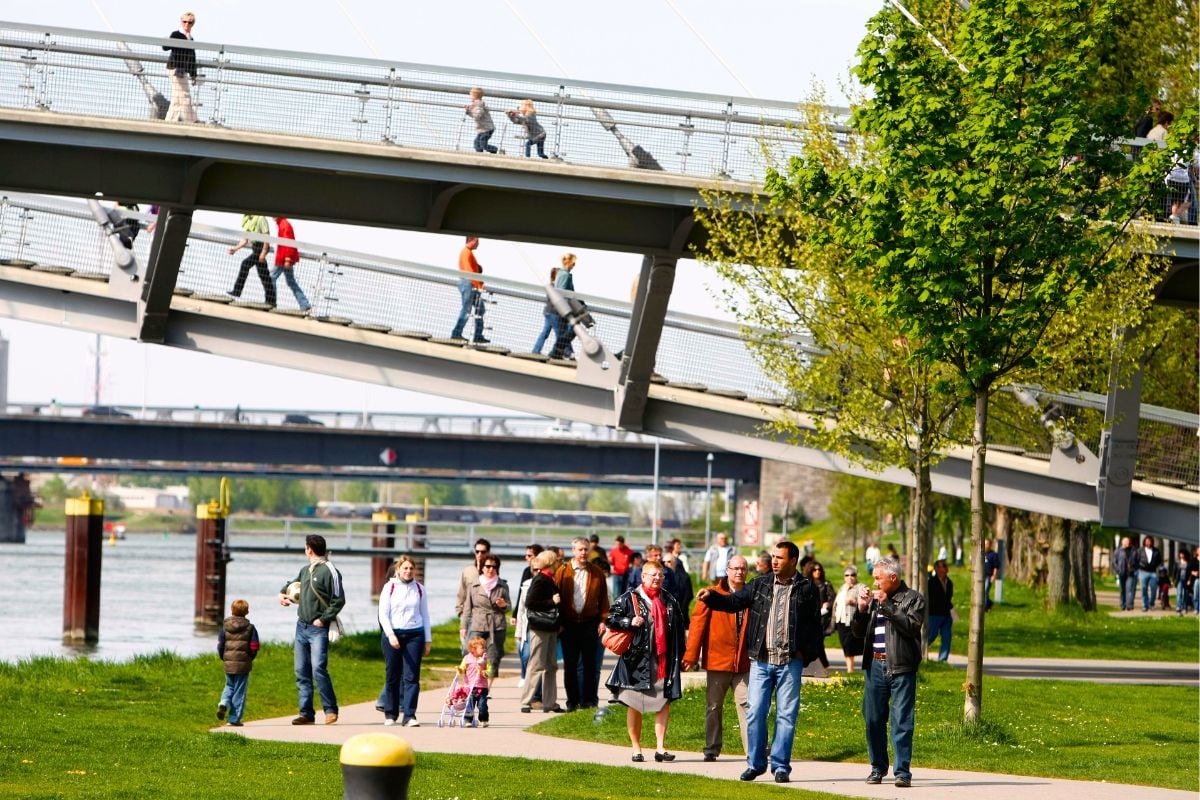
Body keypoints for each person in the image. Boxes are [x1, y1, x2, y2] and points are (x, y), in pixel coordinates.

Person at [696, 541, 823, 784]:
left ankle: (781, 766)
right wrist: (712, 597)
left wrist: (805, 654)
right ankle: (755, 764)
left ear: (793, 560)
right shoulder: (760, 583)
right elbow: (735, 602)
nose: (774, 561)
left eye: (780, 558)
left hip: (789, 663)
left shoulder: (807, 588)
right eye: (773, 557)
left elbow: (815, 626)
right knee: (755, 713)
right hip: (762, 662)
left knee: (786, 715)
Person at [851, 558, 927, 788]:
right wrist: (862, 608)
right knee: (873, 719)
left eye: (878, 578)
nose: (874, 583)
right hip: (875, 665)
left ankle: (902, 772)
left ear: (893, 578)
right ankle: (877, 767)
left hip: (902, 667)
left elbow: (912, 626)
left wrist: (887, 606)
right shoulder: (876, 599)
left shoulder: (913, 598)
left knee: (902, 721)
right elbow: (857, 632)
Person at [605, 560, 686, 763]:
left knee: (663, 703)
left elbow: (679, 628)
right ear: (643, 577)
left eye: (660, 575)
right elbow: (610, 619)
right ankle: (636, 749)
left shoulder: (669, 600)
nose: (657, 578)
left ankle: (660, 747)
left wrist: (683, 655)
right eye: (653, 575)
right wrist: (628, 622)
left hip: (662, 662)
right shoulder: (629, 598)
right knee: (634, 705)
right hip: (635, 663)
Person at [682, 555, 751, 762]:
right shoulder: (711, 594)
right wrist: (691, 655)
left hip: (744, 662)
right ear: (727, 570)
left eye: (743, 568)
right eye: (736, 568)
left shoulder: (752, 594)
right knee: (713, 706)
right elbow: (697, 626)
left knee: (748, 705)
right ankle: (712, 748)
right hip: (717, 660)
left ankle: (753, 751)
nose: (739, 572)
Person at [278, 534, 344, 725]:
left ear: (309, 549)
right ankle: (306, 713)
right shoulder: (305, 570)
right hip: (301, 627)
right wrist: (282, 595)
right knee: (301, 671)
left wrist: (323, 620)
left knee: (318, 669)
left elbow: (339, 600)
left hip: (317, 629)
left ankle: (330, 710)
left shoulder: (330, 571)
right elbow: (291, 585)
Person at [555, 536, 610, 710]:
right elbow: (556, 598)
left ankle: (589, 700)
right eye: (580, 549)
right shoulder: (562, 571)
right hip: (568, 624)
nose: (583, 553)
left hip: (589, 624)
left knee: (589, 664)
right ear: (573, 551)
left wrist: (603, 620)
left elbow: (604, 600)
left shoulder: (596, 572)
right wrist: (559, 622)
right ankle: (572, 701)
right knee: (570, 666)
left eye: (586, 549)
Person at [378, 555, 432, 728]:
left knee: (412, 676)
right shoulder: (390, 587)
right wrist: (390, 634)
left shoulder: (420, 589)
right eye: (405, 568)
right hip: (393, 634)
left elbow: (425, 615)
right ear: (398, 570)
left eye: (411, 568)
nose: (408, 571)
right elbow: (383, 614)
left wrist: (427, 639)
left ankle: (409, 715)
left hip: (414, 635)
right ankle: (391, 713)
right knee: (392, 675)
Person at [520, 550, 566, 713]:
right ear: (551, 563)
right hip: (540, 629)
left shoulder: (549, 579)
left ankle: (550, 702)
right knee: (536, 664)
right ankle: (526, 701)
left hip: (551, 628)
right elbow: (530, 603)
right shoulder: (540, 579)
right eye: (557, 561)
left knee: (551, 666)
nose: (559, 563)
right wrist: (551, 601)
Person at [460, 554, 510, 680]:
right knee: (470, 652)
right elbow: (467, 607)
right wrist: (464, 626)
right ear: (482, 567)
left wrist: (503, 605)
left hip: (496, 625)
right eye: (488, 566)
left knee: (493, 657)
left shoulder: (503, 585)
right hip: (478, 623)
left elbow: (509, 607)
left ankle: (486, 688)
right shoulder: (474, 585)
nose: (490, 569)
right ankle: (470, 682)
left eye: (494, 566)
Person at [216, 598, 259, 727]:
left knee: (229, 685)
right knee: (240, 691)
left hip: (228, 662)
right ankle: (234, 718)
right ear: (247, 612)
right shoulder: (250, 628)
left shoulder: (225, 627)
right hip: (243, 664)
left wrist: (224, 657)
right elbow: (254, 646)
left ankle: (223, 702)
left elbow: (220, 645)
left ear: (232, 610)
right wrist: (250, 657)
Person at [228, 213, 276, 307]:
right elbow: (245, 240)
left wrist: (263, 252)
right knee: (264, 275)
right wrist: (235, 249)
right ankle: (271, 300)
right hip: (255, 247)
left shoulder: (261, 218)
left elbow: (267, 237)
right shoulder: (248, 220)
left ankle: (237, 291)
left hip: (261, 247)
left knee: (245, 264)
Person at [449, 236, 488, 343]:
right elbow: (469, 272)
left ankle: (477, 335)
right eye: (477, 241)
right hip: (468, 284)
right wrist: (479, 285)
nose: (478, 244)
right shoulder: (466, 252)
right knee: (467, 309)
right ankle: (456, 333)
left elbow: (472, 271)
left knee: (480, 309)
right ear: (471, 240)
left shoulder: (468, 253)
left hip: (470, 284)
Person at [456, 537, 491, 650]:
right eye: (477, 551)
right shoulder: (468, 571)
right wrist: (460, 612)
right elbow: (461, 593)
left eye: (483, 552)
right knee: (466, 650)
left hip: (483, 618)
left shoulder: (491, 572)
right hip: (468, 616)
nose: (480, 554)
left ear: (488, 553)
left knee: (481, 651)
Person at [163, 12, 198, 123]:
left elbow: (192, 58)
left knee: (178, 97)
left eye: (189, 22)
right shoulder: (176, 34)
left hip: (182, 71)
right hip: (175, 69)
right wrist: (168, 39)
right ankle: (191, 121)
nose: (187, 24)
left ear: (192, 24)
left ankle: (170, 121)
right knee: (184, 96)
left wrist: (193, 74)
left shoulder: (190, 39)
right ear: (181, 22)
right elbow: (165, 47)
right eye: (184, 22)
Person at [271, 217, 310, 312]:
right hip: (285, 258)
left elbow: (288, 242)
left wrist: (287, 259)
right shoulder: (283, 224)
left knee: (271, 278)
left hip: (283, 258)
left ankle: (271, 302)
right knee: (291, 281)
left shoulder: (283, 224)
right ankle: (304, 304)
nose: (272, 217)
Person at [803, 561, 834, 677]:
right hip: (809, 618)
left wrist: (828, 604)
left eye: (819, 570)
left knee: (818, 643)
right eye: (815, 570)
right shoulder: (806, 584)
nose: (818, 572)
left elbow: (832, 598)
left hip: (822, 618)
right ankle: (818, 667)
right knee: (814, 643)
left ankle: (824, 667)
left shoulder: (825, 584)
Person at [833, 565, 865, 672]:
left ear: (856, 576)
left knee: (849, 644)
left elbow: (866, 603)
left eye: (853, 575)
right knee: (844, 643)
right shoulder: (843, 588)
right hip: (841, 620)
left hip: (852, 620)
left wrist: (855, 602)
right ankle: (849, 668)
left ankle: (850, 669)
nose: (850, 577)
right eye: (847, 575)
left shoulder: (861, 587)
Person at [924, 559, 954, 662]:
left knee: (947, 637)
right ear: (937, 569)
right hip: (934, 615)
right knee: (931, 635)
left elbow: (948, 598)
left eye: (946, 566)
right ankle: (919, 653)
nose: (945, 568)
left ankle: (943, 660)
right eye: (943, 566)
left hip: (946, 615)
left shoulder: (949, 583)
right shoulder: (931, 582)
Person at [458, 636, 491, 727]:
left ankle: (483, 719)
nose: (484, 649)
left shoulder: (485, 659)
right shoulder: (467, 658)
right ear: (473, 649)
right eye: (482, 648)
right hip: (469, 687)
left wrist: (486, 672)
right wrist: (460, 670)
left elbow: (490, 670)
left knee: (482, 705)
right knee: (469, 704)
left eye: (485, 647)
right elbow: (462, 667)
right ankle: (468, 719)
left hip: (482, 686)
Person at [550, 253, 578, 359]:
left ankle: (565, 353)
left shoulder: (563, 274)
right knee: (565, 333)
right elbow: (562, 292)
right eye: (573, 263)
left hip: (559, 309)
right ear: (569, 262)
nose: (574, 265)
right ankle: (567, 353)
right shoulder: (565, 275)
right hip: (561, 309)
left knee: (562, 333)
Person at [532, 266, 560, 355]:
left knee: (546, 332)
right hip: (553, 313)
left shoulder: (551, 286)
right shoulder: (554, 287)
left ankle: (536, 351)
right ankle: (561, 353)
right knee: (560, 334)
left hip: (549, 312)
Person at [465, 87, 498, 154]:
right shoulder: (476, 104)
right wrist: (469, 111)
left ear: (474, 96)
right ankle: (479, 154)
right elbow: (475, 116)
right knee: (477, 142)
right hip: (483, 129)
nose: (470, 97)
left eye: (471, 96)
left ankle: (494, 149)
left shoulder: (479, 104)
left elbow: (477, 115)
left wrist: (470, 110)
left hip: (486, 129)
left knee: (482, 144)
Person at [1135, 535, 1162, 612]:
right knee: (1143, 589)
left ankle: (1152, 603)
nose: (1148, 543)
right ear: (1144, 542)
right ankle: (1145, 605)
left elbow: (1159, 560)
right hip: (1143, 571)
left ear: (1152, 542)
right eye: (1147, 541)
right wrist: (1139, 567)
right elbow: (1136, 560)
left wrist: (1156, 566)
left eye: (1149, 541)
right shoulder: (1140, 550)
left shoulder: (1156, 551)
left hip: (1153, 572)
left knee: (1154, 588)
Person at [1113, 536, 1138, 611]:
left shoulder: (1133, 551)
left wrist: (1134, 569)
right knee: (1122, 590)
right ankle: (1122, 605)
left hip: (1130, 573)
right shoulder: (1118, 551)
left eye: (1128, 541)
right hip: (1122, 573)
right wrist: (1118, 570)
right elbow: (1114, 562)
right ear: (1122, 542)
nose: (1127, 543)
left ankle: (1129, 605)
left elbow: (1137, 561)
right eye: (1125, 541)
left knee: (1129, 589)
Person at [982, 539, 1000, 611]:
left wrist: (994, 576)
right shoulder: (981, 554)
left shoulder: (994, 555)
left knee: (985, 591)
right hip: (981, 576)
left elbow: (996, 567)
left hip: (989, 576)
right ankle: (989, 603)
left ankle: (985, 608)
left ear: (990, 545)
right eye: (985, 544)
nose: (986, 545)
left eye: (987, 544)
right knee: (982, 592)